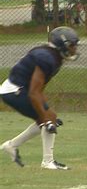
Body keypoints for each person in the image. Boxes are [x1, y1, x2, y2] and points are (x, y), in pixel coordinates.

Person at [0, 26, 80, 170]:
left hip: (19, 89)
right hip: (14, 91)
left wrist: (47, 116)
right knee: (47, 120)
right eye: (72, 45)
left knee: (51, 117)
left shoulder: (54, 58)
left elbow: (39, 89)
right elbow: (33, 92)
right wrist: (45, 118)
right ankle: (47, 162)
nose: (74, 49)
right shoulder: (47, 58)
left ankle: (11, 146)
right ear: (62, 45)